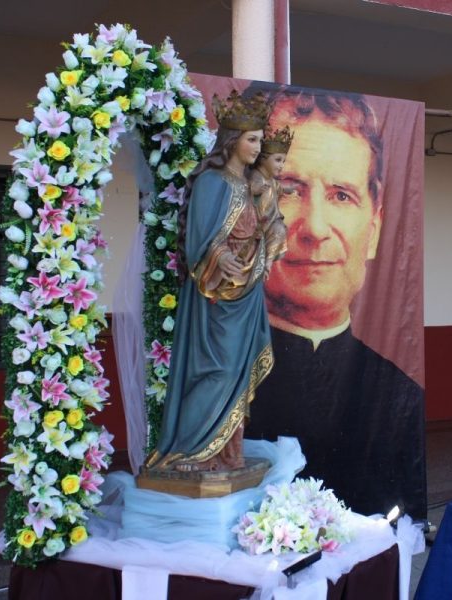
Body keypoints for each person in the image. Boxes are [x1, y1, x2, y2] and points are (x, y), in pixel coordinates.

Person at [242, 86, 427, 519]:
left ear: (375, 227)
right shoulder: (213, 384)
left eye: (342, 195)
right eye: (289, 189)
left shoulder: (403, 398)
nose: (316, 228)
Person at [144, 91, 274, 473]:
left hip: (246, 294)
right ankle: (191, 451)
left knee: (236, 372)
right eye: (252, 139)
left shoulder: (250, 185)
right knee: (215, 372)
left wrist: (260, 246)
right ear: (233, 141)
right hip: (215, 296)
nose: (258, 147)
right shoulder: (211, 182)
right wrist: (222, 257)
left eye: (260, 141)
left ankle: (226, 454)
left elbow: (262, 230)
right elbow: (199, 243)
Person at [247, 126, 293, 275]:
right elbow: (248, 189)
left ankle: (267, 262)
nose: (281, 166)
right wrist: (256, 190)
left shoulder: (272, 182)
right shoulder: (255, 175)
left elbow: (280, 188)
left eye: (283, 161)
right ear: (263, 158)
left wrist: (290, 188)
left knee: (280, 230)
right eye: (278, 160)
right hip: (253, 226)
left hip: (270, 224)